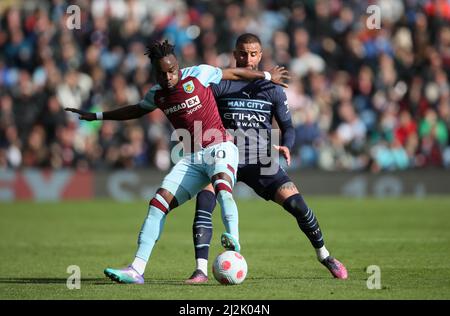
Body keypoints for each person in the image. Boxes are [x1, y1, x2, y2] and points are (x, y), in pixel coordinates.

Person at [65, 40, 289, 284]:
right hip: (192, 158)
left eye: (172, 70)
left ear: (178, 66)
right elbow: (134, 110)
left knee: (223, 188)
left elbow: (235, 72)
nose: (169, 76)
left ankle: (233, 240)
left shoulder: (199, 74)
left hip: (221, 147)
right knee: (157, 204)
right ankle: (136, 269)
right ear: (156, 73)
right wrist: (97, 116)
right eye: (163, 73)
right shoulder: (157, 95)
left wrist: (267, 75)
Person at [185, 34, 347, 284]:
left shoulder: (272, 88)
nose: (247, 59)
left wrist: (287, 145)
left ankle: (325, 256)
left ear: (260, 56)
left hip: (260, 159)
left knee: (297, 205)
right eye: (242, 53)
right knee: (204, 201)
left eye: (252, 54)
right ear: (234, 54)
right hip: (224, 156)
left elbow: (288, 126)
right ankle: (200, 270)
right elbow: (201, 117)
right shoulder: (218, 85)